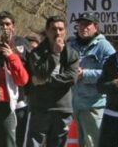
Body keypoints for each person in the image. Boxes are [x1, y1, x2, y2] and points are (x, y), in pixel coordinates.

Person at [25, 15, 79, 147]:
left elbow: (71, 78)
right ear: (47, 31)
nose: (58, 32)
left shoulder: (71, 54)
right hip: (40, 107)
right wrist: (55, 54)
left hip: (62, 109)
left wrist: (45, 80)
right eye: (54, 29)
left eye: (61, 29)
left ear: (65, 31)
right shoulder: (37, 53)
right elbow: (40, 72)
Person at [68, 11, 115, 147]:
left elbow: (111, 73)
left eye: (87, 24)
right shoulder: (72, 44)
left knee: (96, 143)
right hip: (76, 105)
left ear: (96, 27)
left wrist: (85, 74)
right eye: (81, 24)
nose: (83, 27)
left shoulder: (104, 46)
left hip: (95, 106)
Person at [0, 10, 32, 146]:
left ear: (13, 26)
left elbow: (30, 70)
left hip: (20, 101)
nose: (4, 27)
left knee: (18, 139)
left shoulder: (22, 43)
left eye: (7, 24)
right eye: (1, 24)